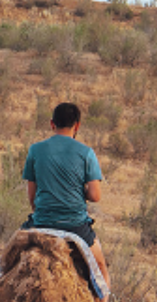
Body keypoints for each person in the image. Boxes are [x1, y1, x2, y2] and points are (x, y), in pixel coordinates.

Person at [22, 101, 111, 286]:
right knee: (101, 269)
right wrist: (78, 190)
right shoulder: (87, 153)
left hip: (41, 222)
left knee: (6, 264)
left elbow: (32, 196)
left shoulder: (35, 150)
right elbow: (95, 196)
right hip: (76, 227)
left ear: (52, 123)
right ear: (77, 125)